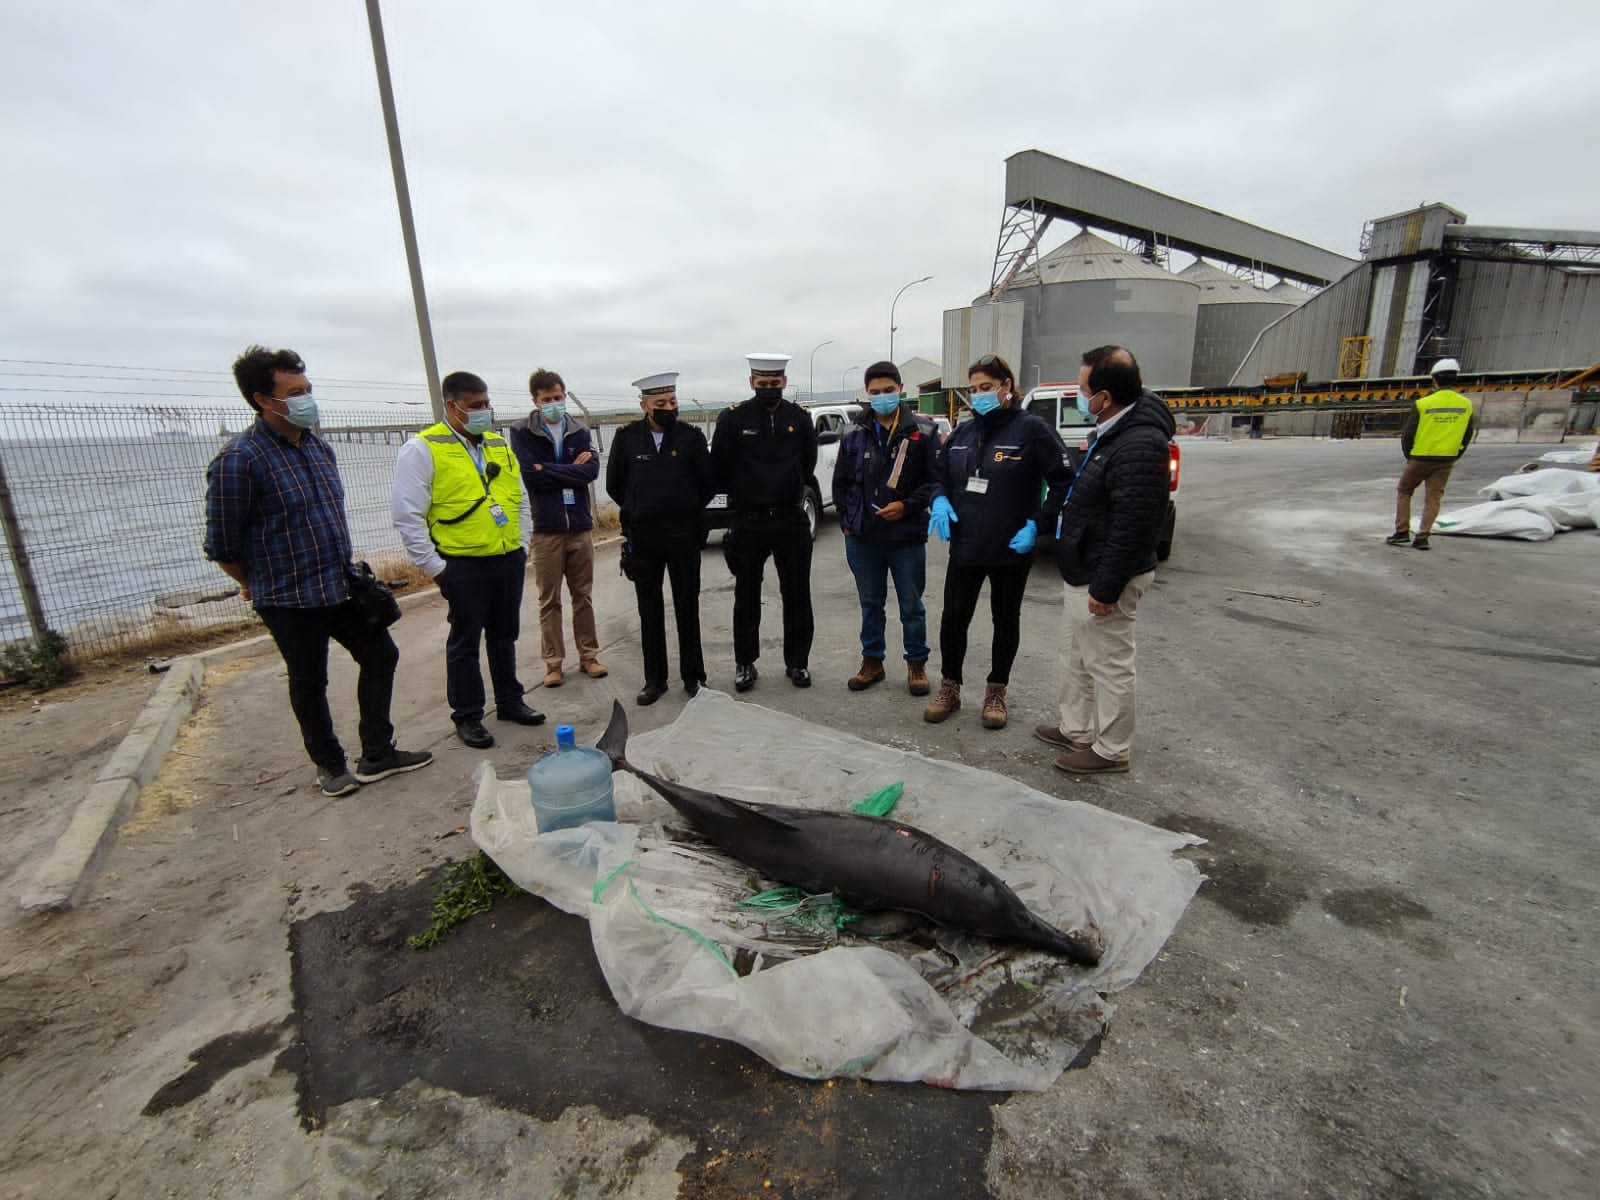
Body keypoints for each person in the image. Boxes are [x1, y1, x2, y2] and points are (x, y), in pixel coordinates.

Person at [204, 346, 432, 797]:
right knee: (310, 680)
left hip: (339, 584)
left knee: (381, 655)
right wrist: (253, 584)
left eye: (308, 389)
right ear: (263, 400)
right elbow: (222, 545)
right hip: (288, 597)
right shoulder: (239, 461)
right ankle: (329, 764)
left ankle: (378, 753)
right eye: (295, 392)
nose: (308, 398)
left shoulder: (316, 447)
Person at [1036, 346, 1175, 775]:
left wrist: (1107, 586)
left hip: (1104, 574)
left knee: (1110, 663)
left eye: (1083, 390)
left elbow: (1135, 525)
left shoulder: (1139, 443)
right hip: (1085, 568)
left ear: (1106, 396)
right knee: (1075, 655)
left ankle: (1112, 749)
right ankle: (1075, 727)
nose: (1080, 397)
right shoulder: (1115, 429)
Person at [391, 370, 544, 749]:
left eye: (486, 404)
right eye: (475, 406)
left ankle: (510, 701)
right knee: (465, 642)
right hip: (462, 564)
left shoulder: (497, 445)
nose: (484, 412)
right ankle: (468, 715)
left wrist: (522, 543)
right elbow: (407, 515)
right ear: (451, 406)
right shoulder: (423, 449)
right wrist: (435, 567)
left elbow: (519, 499)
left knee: (504, 634)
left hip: (507, 557)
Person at [924, 353, 1071, 729]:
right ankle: (950, 686)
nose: (978, 396)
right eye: (973, 389)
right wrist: (938, 498)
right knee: (954, 619)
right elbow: (939, 473)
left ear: (1006, 387)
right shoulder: (963, 432)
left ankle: (996, 691)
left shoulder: (1032, 430)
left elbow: (1063, 480)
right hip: (967, 546)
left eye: (986, 388)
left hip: (1010, 547)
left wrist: (1038, 525)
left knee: (1005, 620)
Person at [606, 372, 716, 704]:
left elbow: (707, 482)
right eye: (660, 404)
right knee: (649, 609)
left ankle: (694, 677)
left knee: (687, 606)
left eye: (672, 401)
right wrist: (641, 507)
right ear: (644, 406)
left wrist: (685, 508)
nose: (669, 408)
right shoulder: (627, 439)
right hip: (644, 537)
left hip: (682, 534)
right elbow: (614, 484)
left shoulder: (690, 438)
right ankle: (655, 680)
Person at [710, 352, 818, 692]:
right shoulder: (733, 419)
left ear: (784, 382)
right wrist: (745, 497)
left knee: (797, 595)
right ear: (752, 383)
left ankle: (797, 662)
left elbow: (808, 463)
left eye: (774, 383)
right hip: (749, 522)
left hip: (790, 519)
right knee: (745, 596)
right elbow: (720, 467)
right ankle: (746, 663)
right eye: (762, 384)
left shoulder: (799, 419)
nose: (769, 388)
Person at [832, 360, 938, 695]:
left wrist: (907, 506)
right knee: (870, 602)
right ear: (867, 394)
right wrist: (848, 524)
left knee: (911, 604)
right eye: (875, 392)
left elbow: (935, 482)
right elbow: (842, 482)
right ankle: (872, 661)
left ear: (901, 389)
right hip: (863, 536)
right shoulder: (853, 431)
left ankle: (916, 664)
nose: (881, 397)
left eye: (888, 391)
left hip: (905, 536)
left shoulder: (923, 430)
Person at [507, 368, 607, 686]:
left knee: (583, 596)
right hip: (547, 528)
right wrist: (566, 470)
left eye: (559, 397)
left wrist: (547, 468)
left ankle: (588, 656)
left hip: (579, 525)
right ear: (535, 401)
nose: (555, 403)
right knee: (549, 600)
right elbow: (529, 475)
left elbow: (590, 471)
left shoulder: (578, 429)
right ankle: (553, 663)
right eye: (547, 399)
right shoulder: (523, 432)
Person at [1386, 358, 1478, 551]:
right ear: (1455, 380)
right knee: (1433, 498)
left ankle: (1402, 532)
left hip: (1420, 456)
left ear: (1434, 380)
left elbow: (1408, 434)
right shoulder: (1466, 405)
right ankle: (1422, 537)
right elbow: (1468, 434)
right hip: (1446, 459)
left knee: (1404, 491)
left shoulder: (1423, 404)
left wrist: (1409, 455)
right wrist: (1456, 453)